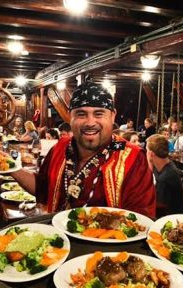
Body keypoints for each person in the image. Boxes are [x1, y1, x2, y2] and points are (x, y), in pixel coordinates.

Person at [12, 81, 156, 217]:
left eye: (99, 114)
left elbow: (140, 219)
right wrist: (10, 167)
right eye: (81, 114)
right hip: (58, 240)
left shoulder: (133, 158)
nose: (90, 122)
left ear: (112, 116)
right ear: (70, 117)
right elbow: (43, 189)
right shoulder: (60, 147)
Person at [146, 134, 183, 217]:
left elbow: (159, 208)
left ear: (151, 154)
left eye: (146, 150)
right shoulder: (167, 164)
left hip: (171, 218)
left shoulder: (165, 178)